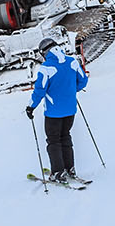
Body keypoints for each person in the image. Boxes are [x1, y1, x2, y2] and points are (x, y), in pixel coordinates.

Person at [26, 36, 89, 181]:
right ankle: (70, 168)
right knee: (65, 137)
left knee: (53, 141)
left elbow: (39, 91)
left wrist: (30, 107)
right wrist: (71, 91)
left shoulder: (46, 68)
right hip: (70, 110)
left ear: (44, 52)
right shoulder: (72, 61)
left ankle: (58, 172)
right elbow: (83, 81)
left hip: (53, 113)